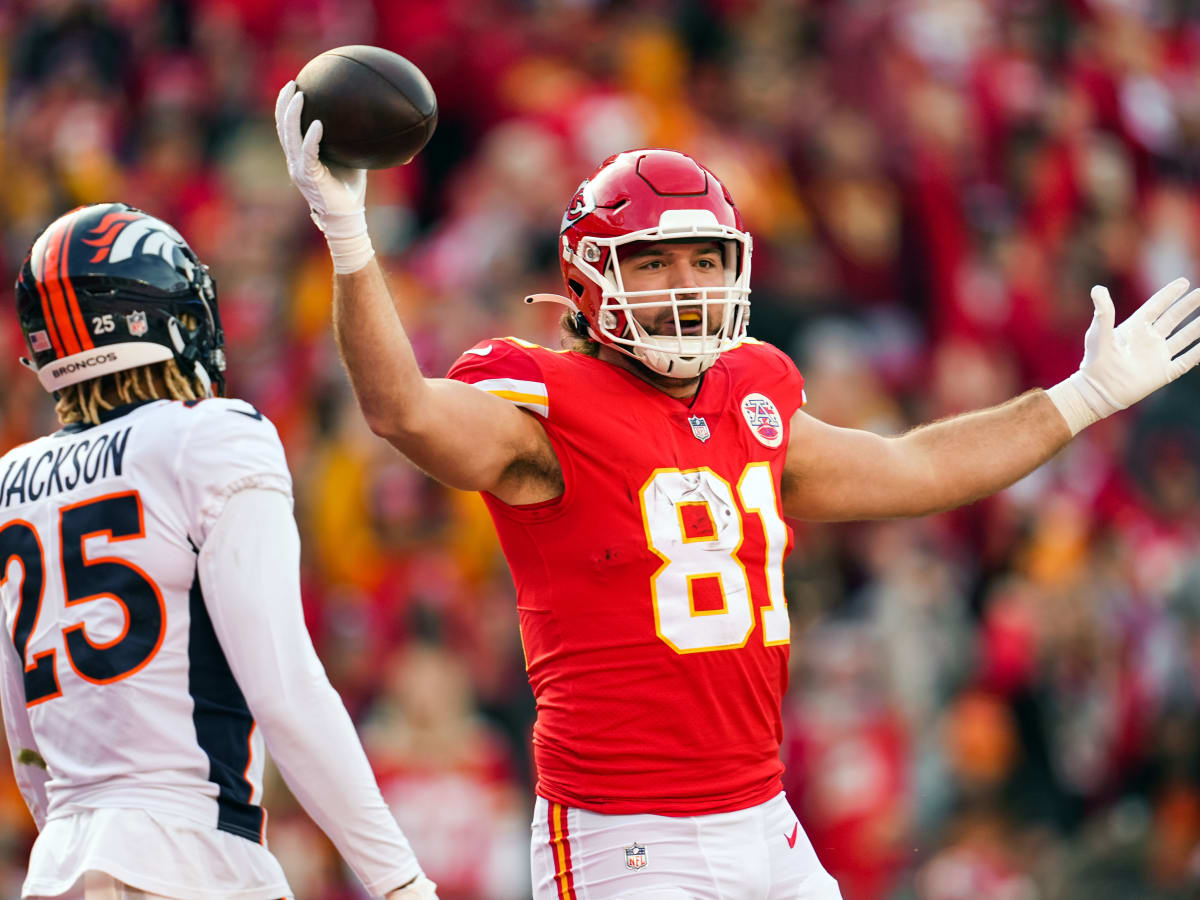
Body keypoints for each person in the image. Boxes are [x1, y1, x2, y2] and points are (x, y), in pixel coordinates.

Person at [275, 79, 1200, 899]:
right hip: (624, 836)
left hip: (766, 817)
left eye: (705, 259)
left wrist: (1080, 399)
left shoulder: (749, 391)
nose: (687, 285)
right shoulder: (547, 404)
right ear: (589, 277)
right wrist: (350, 238)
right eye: (653, 262)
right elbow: (401, 411)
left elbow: (915, 470)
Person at [0, 203, 439, 900]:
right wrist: (399, 879)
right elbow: (286, 689)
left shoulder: (11, 477)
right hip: (190, 856)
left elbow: (24, 735)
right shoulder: (209, 436)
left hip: (59, 866)